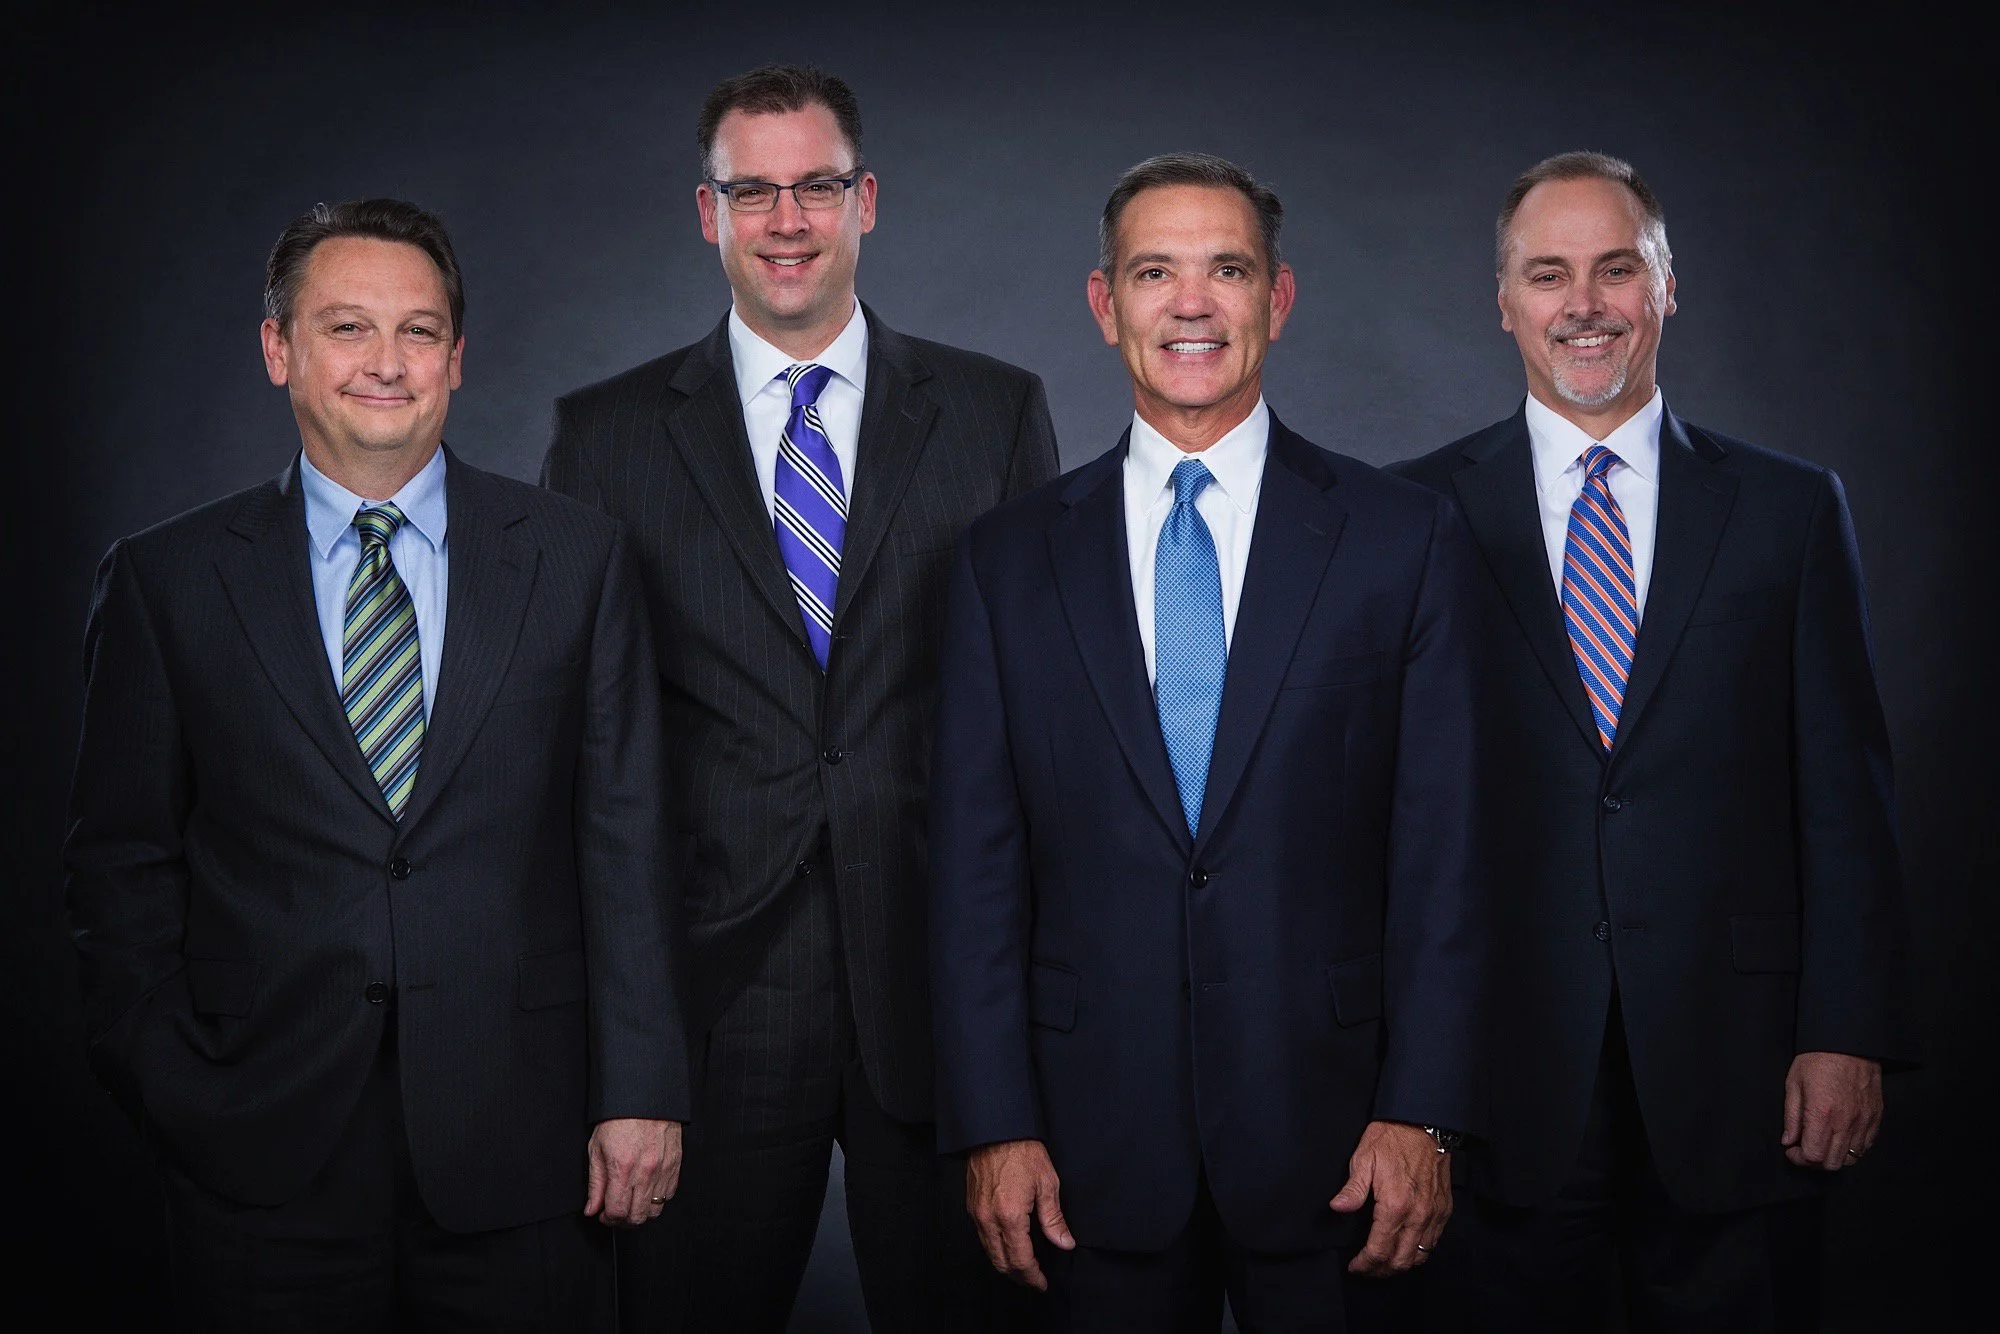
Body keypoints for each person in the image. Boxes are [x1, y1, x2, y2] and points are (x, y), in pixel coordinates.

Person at [63, 198, 687, 1331]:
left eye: (418, 331)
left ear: (456, 357)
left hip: (526, 1137)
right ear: (278, 349)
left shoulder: (574, 558)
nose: (386, 364)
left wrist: (640, 1089)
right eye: (348, 328)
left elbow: (627, 839)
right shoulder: (167, 580)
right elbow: (119, 861)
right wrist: (175, 1084)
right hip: (259, 1138)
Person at [928, 152, 1485, 1333]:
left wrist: (1422, 1113)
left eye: (1226, 269)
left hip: (1342, 1141)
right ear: (1104, 303)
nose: (1190, 304)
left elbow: (1446, 856)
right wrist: (994, 1120)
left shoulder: (1400, 538)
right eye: (1153, 272)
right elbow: (974, 870)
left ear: (1275, 300)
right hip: (1082, 1150)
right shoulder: (1005, 559)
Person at [541, 64, 1058, 1333]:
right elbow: (581, 760)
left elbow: (1049, 734)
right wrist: (624, 1062)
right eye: (752, 191)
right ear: (705, 211)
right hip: (710, 1009)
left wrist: (1033, 1061)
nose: (786, 219)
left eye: (815, 186)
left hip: (942, 1000)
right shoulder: (603, 437)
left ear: (864, 200)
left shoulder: (993, 413)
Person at [1391, 152, 1916, 1332]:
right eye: (1547, 273)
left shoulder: (1786, 508)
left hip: (1741, 1066)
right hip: (1497, 1069)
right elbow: (1385, 817)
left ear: (1664, 287)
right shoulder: (1409, 518)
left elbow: (1843, 789)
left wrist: (1844, 1029)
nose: (1582, 303)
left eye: (1614, 269)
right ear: (1504, 301)